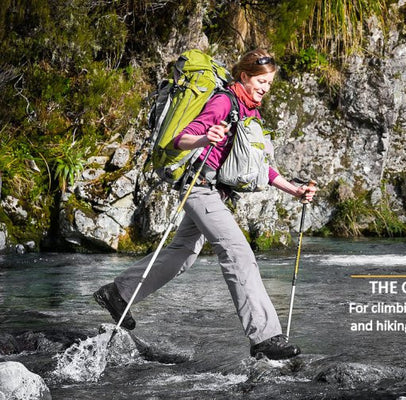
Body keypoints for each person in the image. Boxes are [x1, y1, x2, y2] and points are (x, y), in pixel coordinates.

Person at [94, 49, 316, 360]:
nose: (265, 87)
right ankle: (265, 337)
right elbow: (182, 138)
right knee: (237, 251)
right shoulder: (224, 101)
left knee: (182, 253)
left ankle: (118, 293)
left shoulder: (249, 111)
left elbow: (258, 166)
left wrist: (293, 189)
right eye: (260, 81)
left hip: (216, 192)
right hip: (198, 187)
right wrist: (204, 138)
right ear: (244, 77)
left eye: (269, 83)